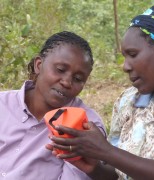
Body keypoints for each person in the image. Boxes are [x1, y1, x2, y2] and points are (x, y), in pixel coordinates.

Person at [46, 1, 154, 179]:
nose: (125, 66)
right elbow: (117, 174)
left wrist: (106, 151)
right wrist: (92, 166)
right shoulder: (128, 102)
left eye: (132, 54)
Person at [0, 31, 106, 180]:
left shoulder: (85, 126)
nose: (67, 82)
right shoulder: (3, 104)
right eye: (60, 70)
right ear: (39, 65)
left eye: (78, 78)